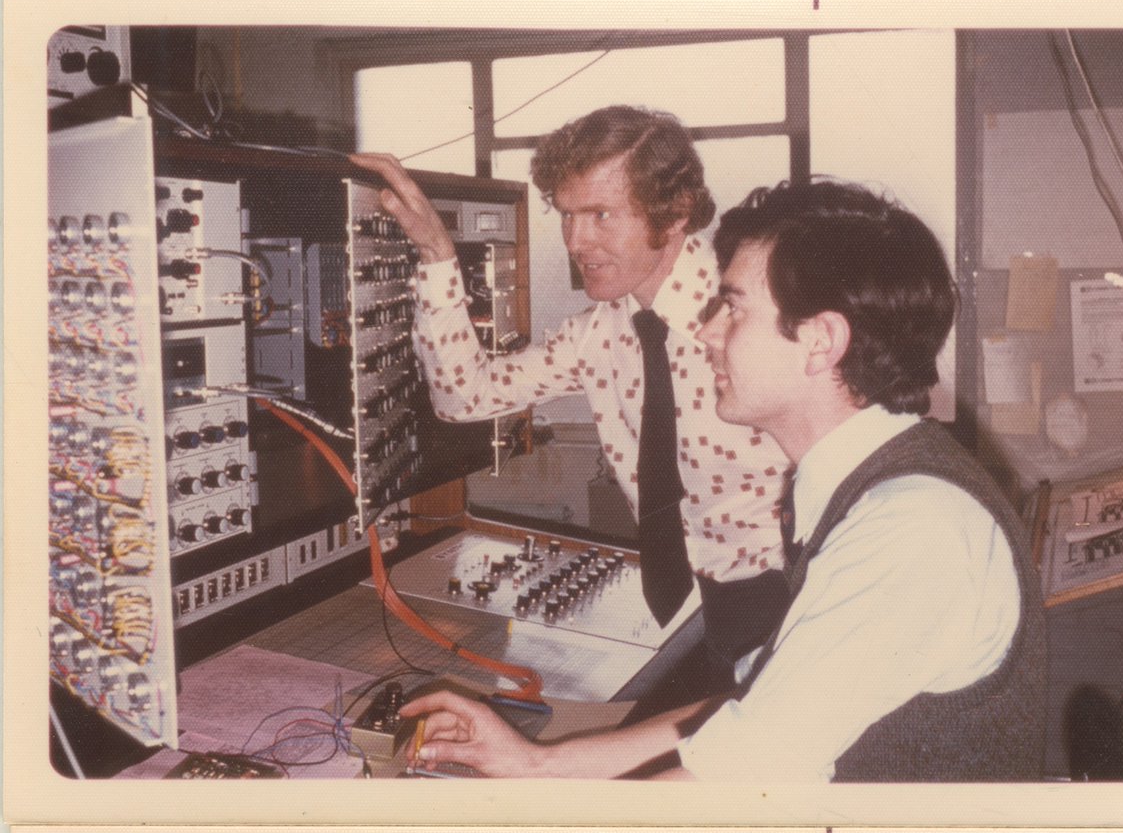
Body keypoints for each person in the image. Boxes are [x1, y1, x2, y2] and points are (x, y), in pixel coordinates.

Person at [392, 179, 1047, 782]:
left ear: (820, 341)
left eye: (733, 309)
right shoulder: (872, 489)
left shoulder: (911, 528)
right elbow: (754, 711)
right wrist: (537, 764)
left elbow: (734, 786)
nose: (706, 332)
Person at [353, 106, 794, 689]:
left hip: (795, 595)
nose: (576, 241)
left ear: (675, 214)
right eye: (567, 216)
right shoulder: (597, 333)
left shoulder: (760, 306)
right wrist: (438, 256)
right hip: (697, 610)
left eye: (601, 215)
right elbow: (464, 397)